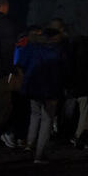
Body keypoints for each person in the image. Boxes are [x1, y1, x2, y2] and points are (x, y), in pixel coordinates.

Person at [15, 26, 67, 163]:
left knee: (35, 115)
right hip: (51, 90)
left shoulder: (33, 47)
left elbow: (21, 65)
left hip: (33, 88)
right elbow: (64, 72)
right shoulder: (59, 51)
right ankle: (40, 154)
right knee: (47, 120)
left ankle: (29, 144)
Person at [0, 0, 17, 144]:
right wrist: (10, 71)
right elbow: (8, 52)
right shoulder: (5, 25)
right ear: (4, 7)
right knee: (2, 109)